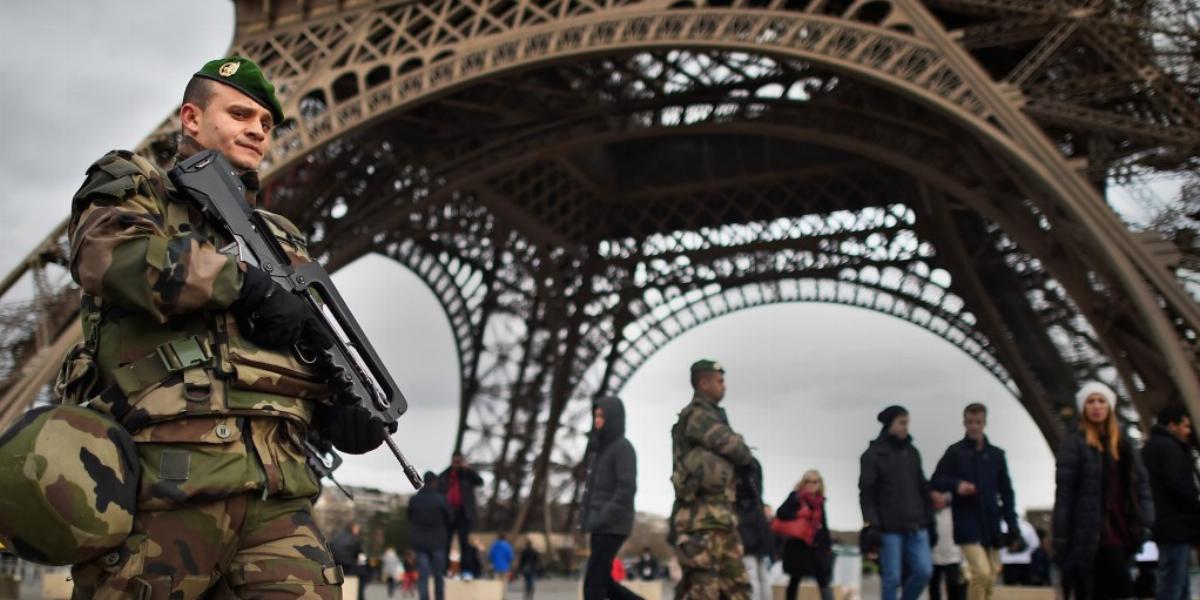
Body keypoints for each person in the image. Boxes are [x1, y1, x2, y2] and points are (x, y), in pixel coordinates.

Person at [63, 56, 390, 598]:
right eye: (240, 114)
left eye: (266, 123)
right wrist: (243, 283)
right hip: (165, 485)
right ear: (191, 118)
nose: (257, 130)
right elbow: (109, 256)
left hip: (278, 494)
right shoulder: (138, 186)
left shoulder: (281, 236)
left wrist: (336, 404)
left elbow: (297, 342)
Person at [1053, 381, 1154, 600]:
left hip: (1123, 529)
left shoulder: (1125, 445)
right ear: (1083, 408)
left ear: (1110, 406)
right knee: (1116, 589)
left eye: (1101, 401)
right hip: (1091, 533)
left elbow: (1141, 483)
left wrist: (1146, 519)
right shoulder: (1074, 444)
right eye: (1091, 401)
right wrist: (1060, 540)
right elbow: (1064, 495)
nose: (1096, 406)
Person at [670, 359, 754, 599]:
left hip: (721, 519)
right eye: (719, 381)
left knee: (737, 589)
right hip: (701, 520)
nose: (724, 386)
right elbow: (738, 450)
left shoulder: (711, 417)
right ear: (703, 383)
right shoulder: (698, 416)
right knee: (703, 589)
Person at [931, 403, 1021, 600]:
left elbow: (1007, 493)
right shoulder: (955, 452)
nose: (974, 427)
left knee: (990, 578)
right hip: (966, 521)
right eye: (970, 422)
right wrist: (957, 485)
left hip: (990, 522)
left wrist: (1013, 526)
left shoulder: (997, 455)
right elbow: (936, 480)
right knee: (981, 573)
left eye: (978, 422)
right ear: (964, 422)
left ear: (984, 423)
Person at [859, 405, 935, 600]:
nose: (905, 427)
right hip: (888, 527)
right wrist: (872, 522)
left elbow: (922, 488)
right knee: (891, 577)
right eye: (901, 423)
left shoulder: (912, 452)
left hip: (917, 524)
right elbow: (866, 493)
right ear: (889, 424)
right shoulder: (873, 455)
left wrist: (929, 518)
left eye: (907, 423)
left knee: (924, 570)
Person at [580, 396, 642, 600]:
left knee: (593, 587)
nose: (597, 420)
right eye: (595, 415)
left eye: (601, 416)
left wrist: (602, 517)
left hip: (611, 526)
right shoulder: (602, 451)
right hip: (601, 525)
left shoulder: (622, 448)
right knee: (603, 582)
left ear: (613, 418)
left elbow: (627, 488)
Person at [1140, 404, 1199, 600]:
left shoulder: (1151, 447)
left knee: (1177, 582)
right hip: (1176, 525)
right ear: (1172, 425)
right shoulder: (1169, 448)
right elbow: (1180, 487)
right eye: (1185, 426)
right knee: (1174, 584)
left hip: (1165, 524)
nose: (1188, 431)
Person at [775, 470, 834, 600]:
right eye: (808, 481)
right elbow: (781, 513)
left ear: (820, 484)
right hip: (797, 544)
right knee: (795, 578)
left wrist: (828, 546)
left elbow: (823, 525)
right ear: (803, 482)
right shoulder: (795, 497)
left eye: (815, 482)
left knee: (823, 578)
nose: (812, 485)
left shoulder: (819, 502)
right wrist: (800, 515)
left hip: (815, 545)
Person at [408, 470, 453, 600]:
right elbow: (450, 518)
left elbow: (410, 518)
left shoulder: (414, 500)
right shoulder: (441, 500)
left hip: (419, 542)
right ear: (435, 482)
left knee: (423, 576)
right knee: (438, 576)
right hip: (438, 541)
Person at [736, 459, 773, 600]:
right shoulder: (758, 501)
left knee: (753, 579)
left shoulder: (742, 502)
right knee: (762, 578)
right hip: (759, 539)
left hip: (748, 540)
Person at [437, 452, 485, 559]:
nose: (457, 464)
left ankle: (465, 568)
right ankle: (444, 567)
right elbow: (439, 489)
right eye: (455, 462)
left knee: (464, 541)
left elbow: (480, 482)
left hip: (463, 512)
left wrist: (469, 470)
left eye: (459, 462)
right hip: (449, 512)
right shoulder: (445, 475)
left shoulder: (468, 475)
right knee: (446, 541)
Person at [929, 491, 966, 600]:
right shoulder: (929, 513)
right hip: (933, 555)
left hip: (953, 555)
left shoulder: (956, 511)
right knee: (934, 586)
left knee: (955, 586)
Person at [998, 518, 1040, 586]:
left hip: (1007, 562)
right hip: (1025, 561)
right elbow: (1035, 544)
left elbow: (998, 545)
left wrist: (1002, 555)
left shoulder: (1001, 526)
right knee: (1026, 588)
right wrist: (1027, 553)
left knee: (1010, 588)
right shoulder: (1026, 526)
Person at [331, 523, 367, 600]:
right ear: (353, 529)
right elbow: (361, 556)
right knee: (363, 573)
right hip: (350, 566)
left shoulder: (336, 537)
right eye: (357, 529)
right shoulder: (355, 539)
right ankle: (360, 596)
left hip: (337, 567)